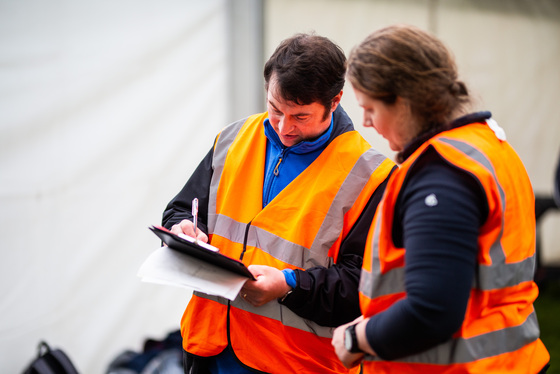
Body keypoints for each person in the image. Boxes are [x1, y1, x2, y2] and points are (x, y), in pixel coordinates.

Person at [162, 33, 396, 374]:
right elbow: (181, 209)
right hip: (208, 350)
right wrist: (185, 229)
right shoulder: (234, 138)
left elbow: (364, 289)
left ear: (335, 101)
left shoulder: (372, 176)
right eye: (275, 109)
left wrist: (289, 286)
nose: (284, 127)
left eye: (300, 117)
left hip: (294, 363)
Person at [332, 24, 550, 373]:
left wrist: (357, 339)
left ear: (403, 101)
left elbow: (431, 310)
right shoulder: (485, 145)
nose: (366, 122)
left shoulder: (440, 176)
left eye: (369, 107)